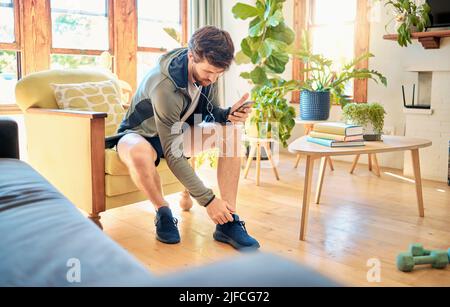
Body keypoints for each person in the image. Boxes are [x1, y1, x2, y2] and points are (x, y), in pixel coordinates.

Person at [115, 26, 259, 250]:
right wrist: (208, 200)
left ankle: (228, 221)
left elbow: (208, 111)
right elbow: (172, 152)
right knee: (137, 151)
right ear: (191, 56)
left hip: (177, 130)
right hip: (140, 134)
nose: (212, 78)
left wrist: (227, 114)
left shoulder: (209, 70)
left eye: (218, 73)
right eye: (209, 72)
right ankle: (162, 211)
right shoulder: (164, 84)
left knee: (231, 131)